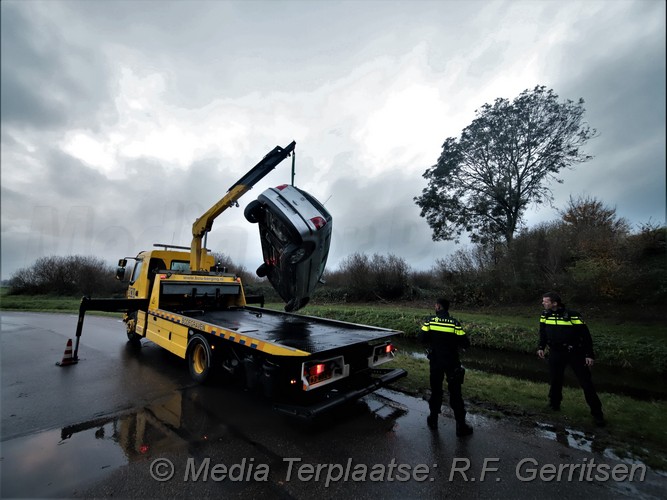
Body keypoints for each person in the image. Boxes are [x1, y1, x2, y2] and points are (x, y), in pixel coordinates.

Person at [537, 292, 606, 427]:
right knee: (555, 379)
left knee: (586, 383)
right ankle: (554, 404)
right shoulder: (545, 315)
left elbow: (586, 336)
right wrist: (541, 346)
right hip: (555, 352)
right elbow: (543, 333)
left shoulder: (573, 315)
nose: (543, 303)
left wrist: (589, 354)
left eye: (545, 301)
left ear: (555, 303)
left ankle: (597, 414)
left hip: (575, 353)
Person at [420, 297, 473, 436]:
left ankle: (433, 420)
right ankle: (461, 427)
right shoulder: (454, 323)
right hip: (452, 363)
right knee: (456, 394)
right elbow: (465, 343)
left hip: (436, 362)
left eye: (435, 305)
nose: (434, 307)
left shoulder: (430, 321)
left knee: (436, 391)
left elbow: (421, 338)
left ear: (438, 307)